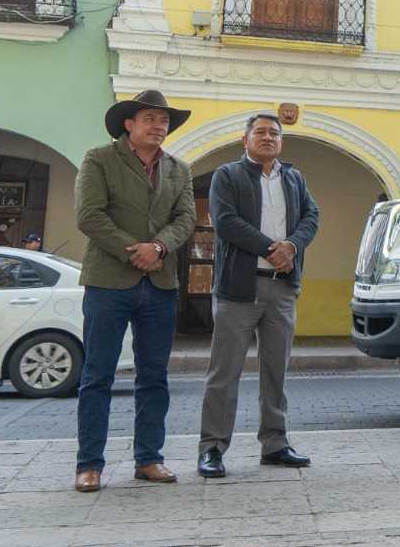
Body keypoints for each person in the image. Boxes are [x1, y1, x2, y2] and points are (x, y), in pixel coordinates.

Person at [73, 90, 196, 492]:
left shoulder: (179, 169)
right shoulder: (99, 159)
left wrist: (158, 247)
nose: (158, 126)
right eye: (150, 119)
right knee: (97, 376)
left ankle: (149, 459)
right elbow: (89, 216)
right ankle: (89, 464)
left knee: (154, 377)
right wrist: (136, 252)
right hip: (109, 282)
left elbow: (185, 218)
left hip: (160, 284)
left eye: (164, 121)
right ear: (129, 123)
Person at [197, 112, 320, 477]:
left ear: (281, 141)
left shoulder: (294, 178)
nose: (268, 137)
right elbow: (225, 221)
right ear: (245, 140)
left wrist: (293, 247)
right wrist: (271, 248)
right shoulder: (228, 175)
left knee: (275, 371)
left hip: (282, 288)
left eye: (274, 133)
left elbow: (311, 217)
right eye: (260, 132)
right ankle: (212, 448)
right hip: (239, 289)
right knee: (224, 372)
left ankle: (275, 443)